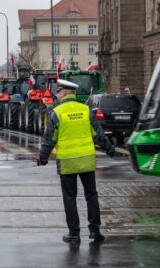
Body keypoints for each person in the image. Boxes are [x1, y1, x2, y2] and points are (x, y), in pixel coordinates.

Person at [37, 79, 115, 243]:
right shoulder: (85, 110)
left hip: (67, 162)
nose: (58, 94)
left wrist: (43, 158)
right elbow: (98, 134)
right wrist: (109, 148)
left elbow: (49, 139)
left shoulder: (57, 113)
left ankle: (74, 233)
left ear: (64, 93)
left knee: (70, 197)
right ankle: (95, 231)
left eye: (59, 92)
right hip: (86, 160)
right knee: (91, 195)